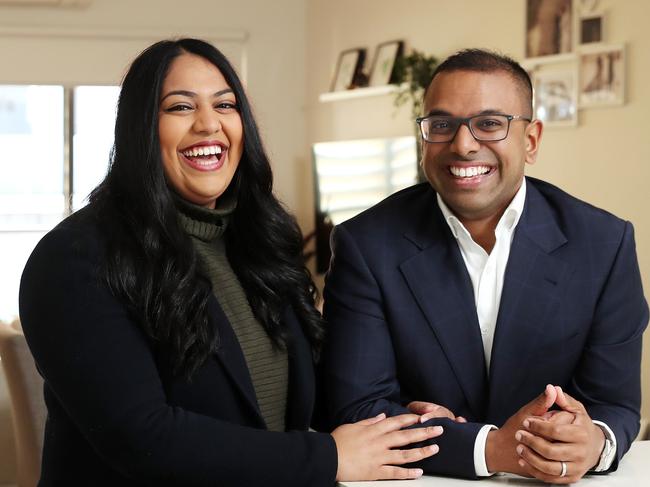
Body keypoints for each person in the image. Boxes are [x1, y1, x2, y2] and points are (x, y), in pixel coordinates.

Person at [18, 38, 444, 486]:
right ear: (140, 128)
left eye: (225, 105)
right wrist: (329, 456)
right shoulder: (74, 259)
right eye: (180, 108)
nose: (209, 125)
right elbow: (141, 437)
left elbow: (294, 394)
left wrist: (394, 418)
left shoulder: (261, 241)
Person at [320, 48, 648, 484]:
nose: (463, 144)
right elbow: (357, 407)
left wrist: (594, 443)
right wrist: (487, 446)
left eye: (490, 123)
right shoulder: (366, 244)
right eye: (441, 125)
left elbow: (615, 406)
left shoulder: (604, 244)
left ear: (530, 141)